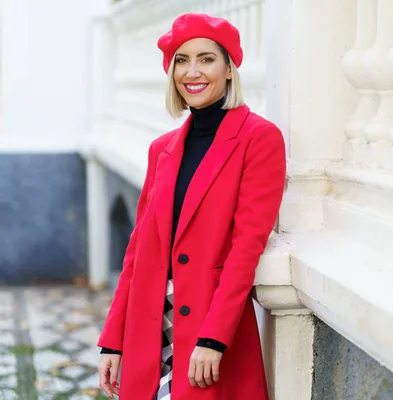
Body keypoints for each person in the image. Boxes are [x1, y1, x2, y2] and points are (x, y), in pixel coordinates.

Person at [96, 13, 286, 400]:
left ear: (229, 69)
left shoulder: (259, 139)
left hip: (208, 327)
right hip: (147, 329)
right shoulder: (161, 148)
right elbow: (137, 251)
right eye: (181, 60)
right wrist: (113, 341)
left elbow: (246, 247)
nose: (192, 71)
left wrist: (214, 338)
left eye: (206, 58)